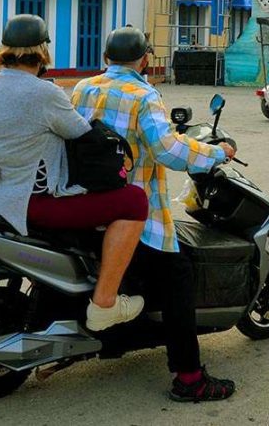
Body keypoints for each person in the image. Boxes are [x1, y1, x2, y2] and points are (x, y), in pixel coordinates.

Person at [72, 27, 237, 402]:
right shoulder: (145, 95)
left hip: (86, 206)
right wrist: (217, 152)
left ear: (106, 58)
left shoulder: (84, 88)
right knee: (179, 275)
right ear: (145, 60)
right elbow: (169, 152)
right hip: (133, 215)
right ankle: (190, 378)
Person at [0, 15, 148, 331]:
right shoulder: (42, 93)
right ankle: (104, 303)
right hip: (29, 204)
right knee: (133, 201)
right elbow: (81, 133)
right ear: (43, 51)